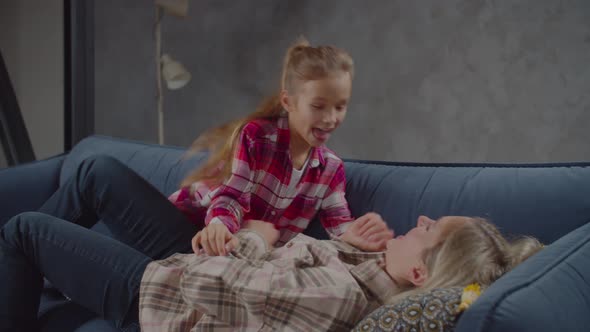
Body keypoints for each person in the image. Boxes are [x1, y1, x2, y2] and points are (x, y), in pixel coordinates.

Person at [26, 38, 392, 264]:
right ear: (289, 101)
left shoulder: (330, 170)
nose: (331, 118)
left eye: (340, 106)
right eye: (320, 106)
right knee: (96, 174)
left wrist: (357, 238)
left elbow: (339, 229)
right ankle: (21, 251)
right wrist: (221, 224)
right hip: (191, 231)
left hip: (214, 257)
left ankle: (28, 250)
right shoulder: (258, 138)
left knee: (96, 175)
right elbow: (232, 194)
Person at [0, 212, 542, 331]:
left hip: (158, 296)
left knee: (24, 229)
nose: (418, 219)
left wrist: (256, 238)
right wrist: (338, 243)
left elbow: (207, 278)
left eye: (428, 230)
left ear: (422, 275)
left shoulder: (339, 296)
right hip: (178, 277)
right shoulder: (366, 271)